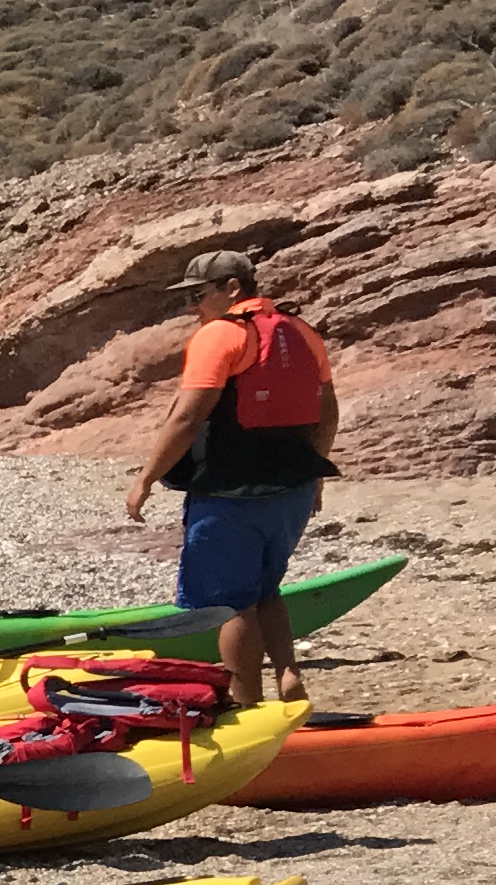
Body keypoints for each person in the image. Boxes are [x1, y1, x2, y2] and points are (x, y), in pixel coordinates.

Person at [124, 249, 338, 704]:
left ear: (232, 289)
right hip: (294, 487)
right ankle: (288, 677)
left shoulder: (219, 336)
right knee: (266, 589)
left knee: (229, 603)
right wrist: (316, 472)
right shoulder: (302, 331)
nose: (191, 308)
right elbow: (328, 412)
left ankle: (245, 705)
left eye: (198, 296)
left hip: (230, 491)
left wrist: (145, 480)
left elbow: (186, 417)